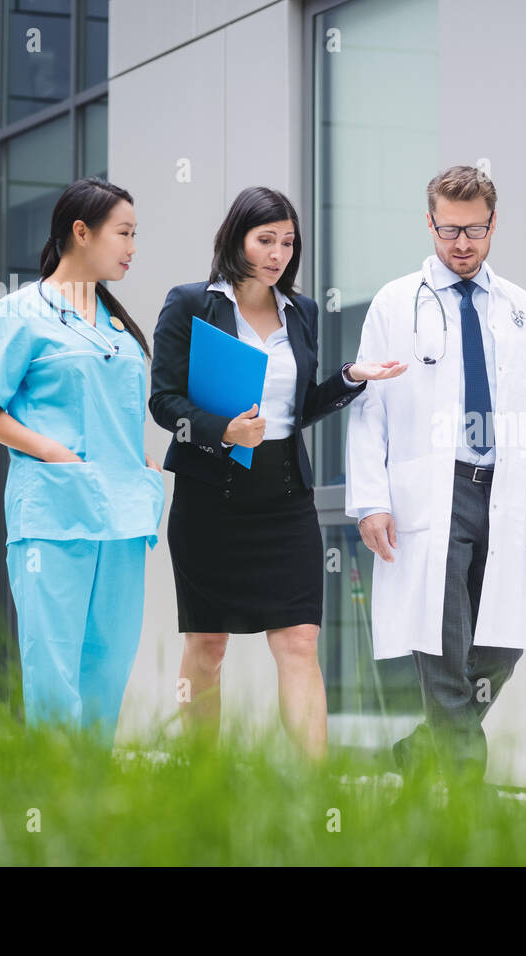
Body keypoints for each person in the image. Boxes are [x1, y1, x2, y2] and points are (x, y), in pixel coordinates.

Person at [150, 186, 406, 759]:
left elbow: (300, 407)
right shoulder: (192, 303)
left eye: (288, 242)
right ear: (236, 237)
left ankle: (313, 791)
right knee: (208, 645)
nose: (278, 253)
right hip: (209, 499)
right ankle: (201, 779)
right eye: (265, 239)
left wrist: (350, 378)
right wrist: (222, 430)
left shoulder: (303, 311)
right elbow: (163, 402)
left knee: (298, 641)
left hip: (285, 499)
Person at [345, 165, 526, 789]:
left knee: (502, 643)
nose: (462, 243)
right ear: (430, 224)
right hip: (430, 493)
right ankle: (469, 794)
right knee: (443, 647)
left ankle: (423, 748)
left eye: (474, 230)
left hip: (498, 489)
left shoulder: (518, 307)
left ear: (494, 224)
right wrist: (371, 501)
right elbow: (369, 410)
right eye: (449, 230)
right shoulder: (396, 302)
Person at [0, 177, 165, 746]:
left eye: (134, 235)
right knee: (54, 672)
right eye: (123, 233)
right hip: (54, 513)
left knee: (108, 666)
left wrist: (142, 463)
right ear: (81, 232)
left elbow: (113, 414)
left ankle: (90, 802)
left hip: (123, 515)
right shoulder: (21, 311)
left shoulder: (120, 325)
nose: (131, 247)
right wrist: (54, 452)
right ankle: (48, 804)